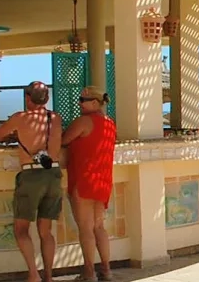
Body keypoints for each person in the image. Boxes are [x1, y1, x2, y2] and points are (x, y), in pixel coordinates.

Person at [0, 82, 63, 282]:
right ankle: (48, 276)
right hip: (53, 174)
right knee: (46, 231)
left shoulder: (20, 118)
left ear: (27, 98)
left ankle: (33, 275)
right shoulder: (55, 118)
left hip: (31, 176)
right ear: (47, 99)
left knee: (22, 229)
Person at [62, 86, 117, 282]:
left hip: (84, 179)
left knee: (85, 228)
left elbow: (63, 140)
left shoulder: (83, 121)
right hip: (103, 181)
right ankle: (107, 270)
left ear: (94, 103)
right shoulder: (110, 123)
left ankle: (89, 272)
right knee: (99, 227)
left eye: (83, 100)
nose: (79, 103)